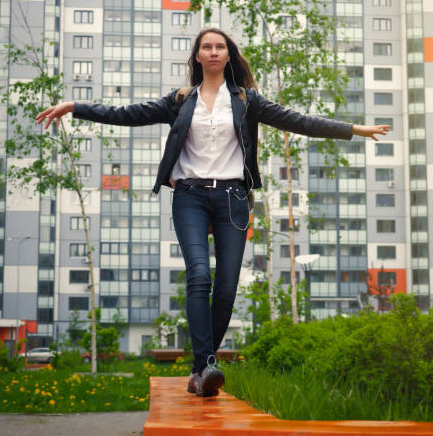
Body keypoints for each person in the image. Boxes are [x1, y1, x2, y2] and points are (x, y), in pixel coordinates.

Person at [36, 28, 388, 398]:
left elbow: (297, 120)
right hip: (189, 196)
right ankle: (206, 364)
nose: (215, 51)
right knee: (199, 275)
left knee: (226, 289)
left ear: (229, 55)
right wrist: (76, 108)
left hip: (233, 199)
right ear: (198, 56)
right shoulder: (179, 100)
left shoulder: (245, 100)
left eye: (221, 46)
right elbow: (128, 113)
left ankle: (199, 369)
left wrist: (352, 129)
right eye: (208, 47)